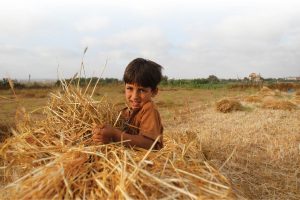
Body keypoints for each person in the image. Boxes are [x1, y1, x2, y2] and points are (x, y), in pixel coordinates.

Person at [92, 58, 164, 150]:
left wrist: (115, 135)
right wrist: (100, 134)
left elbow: (149, 144)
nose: (134, 96)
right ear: (124, 87)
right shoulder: (124, 112)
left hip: (147, 161)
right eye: (130, 88)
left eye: (142, 90)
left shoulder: (149, 109)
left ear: (154, 92)